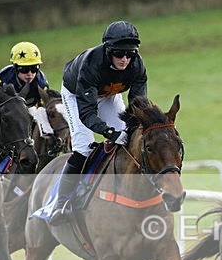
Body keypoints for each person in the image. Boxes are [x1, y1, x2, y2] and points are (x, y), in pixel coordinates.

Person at [49, 20, 148, 225]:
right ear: (108, 50)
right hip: (78, 95)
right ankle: (61, 203)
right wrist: (109, 132)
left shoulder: (137, 65)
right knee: (83, 147)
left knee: (128, 140)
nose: (125, 59)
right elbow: (86, 114)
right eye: (119, 54)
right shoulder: (91, 64)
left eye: (130, 54)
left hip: (109, 94)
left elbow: (138, 106)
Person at [0, 41, 49, 108]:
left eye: (34, 68)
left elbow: (46, 108)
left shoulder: (41, 83)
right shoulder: (3, 78)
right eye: (24, 69)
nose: (30, 73)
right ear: (15, 67)